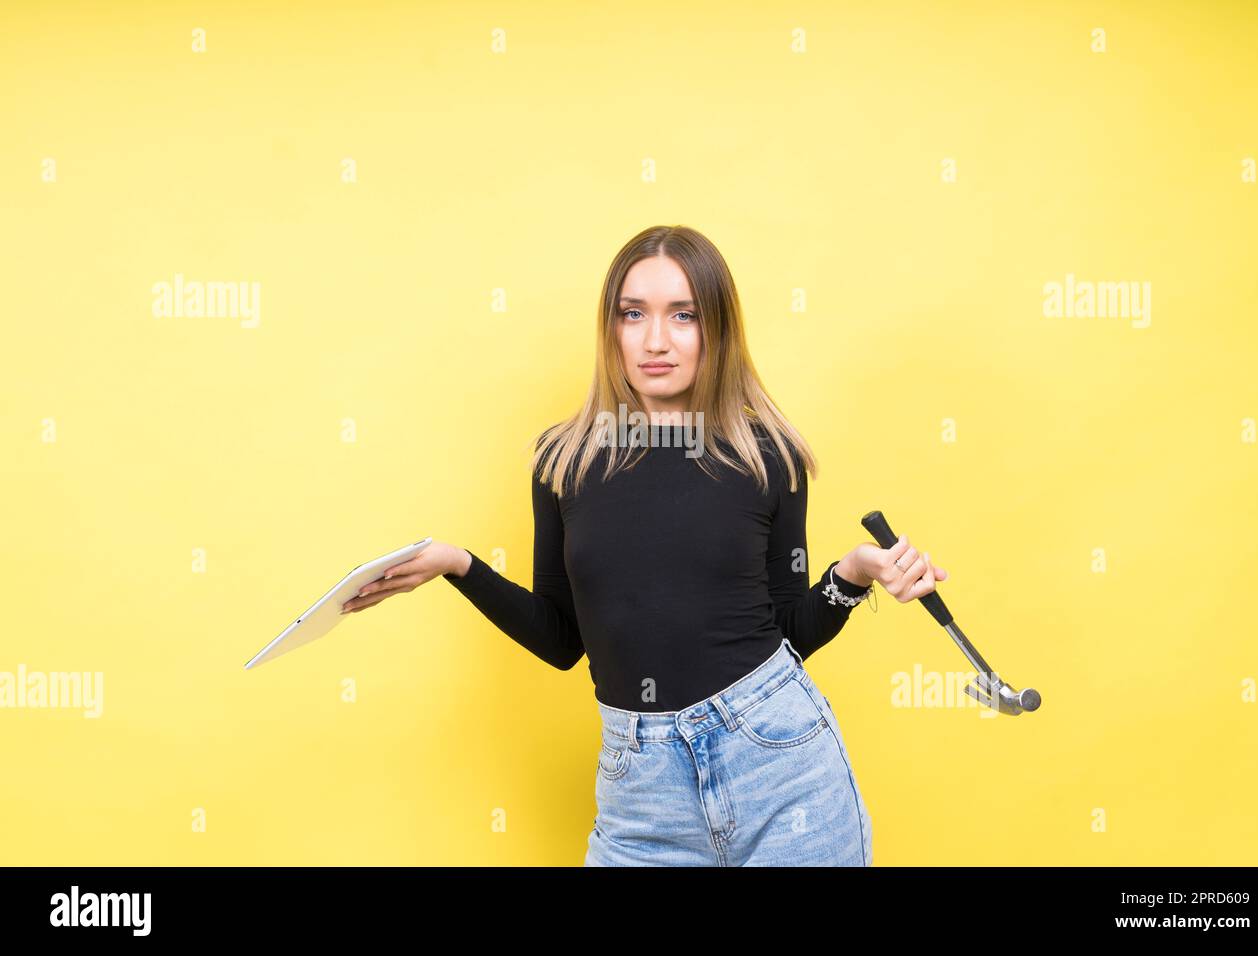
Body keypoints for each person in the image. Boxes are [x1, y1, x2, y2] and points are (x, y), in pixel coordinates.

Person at [340, 225, 948, 865]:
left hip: (782, 770)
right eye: (634, 314)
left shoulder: (768, 455)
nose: (656, 340)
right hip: (640, 794)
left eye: (682, 315)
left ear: (717, 328)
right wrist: (457, 566)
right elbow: (561, 640)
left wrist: (851, 573)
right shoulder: (565, 460)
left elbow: (785, 634)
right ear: (612, 329)